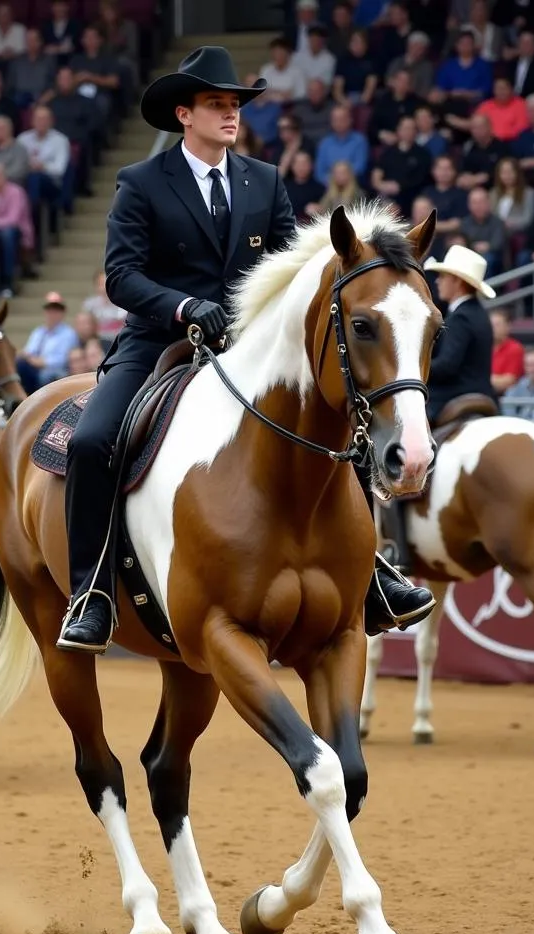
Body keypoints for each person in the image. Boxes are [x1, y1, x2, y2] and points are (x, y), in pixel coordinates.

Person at [58, 44, 432, 653]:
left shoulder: (266, 180)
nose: (230, 115)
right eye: (216, 104)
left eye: (234, 105)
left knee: (346, 426)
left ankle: (374, 580)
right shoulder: (141, 182)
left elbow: (294, 267)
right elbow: (122, 276)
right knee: (92, 440)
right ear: (184, 114)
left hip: (250, 350)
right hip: (162, 341)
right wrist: (183, 306)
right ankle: (92, 592)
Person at [378, 245, 497, 571]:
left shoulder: (460, 318)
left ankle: (393, 549)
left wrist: (413, 369)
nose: (439, 282)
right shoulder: (478, 315)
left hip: (453, 397)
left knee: (396, 447)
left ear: (458, 282)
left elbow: (447, 365)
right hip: (481, 397)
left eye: (443, 277)